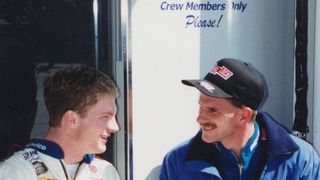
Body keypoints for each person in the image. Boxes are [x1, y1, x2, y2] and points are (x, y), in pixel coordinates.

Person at [160, 58, 320, 179]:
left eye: (213, 110)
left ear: (245, 115)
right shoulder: (177, 161)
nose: (200, 119)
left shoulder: (301, 159)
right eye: (201, 107)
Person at [0, 67, 121, 179]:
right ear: (72, 119)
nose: (115, 127)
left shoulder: (106, 172)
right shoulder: (17, 171)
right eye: (105, 117)